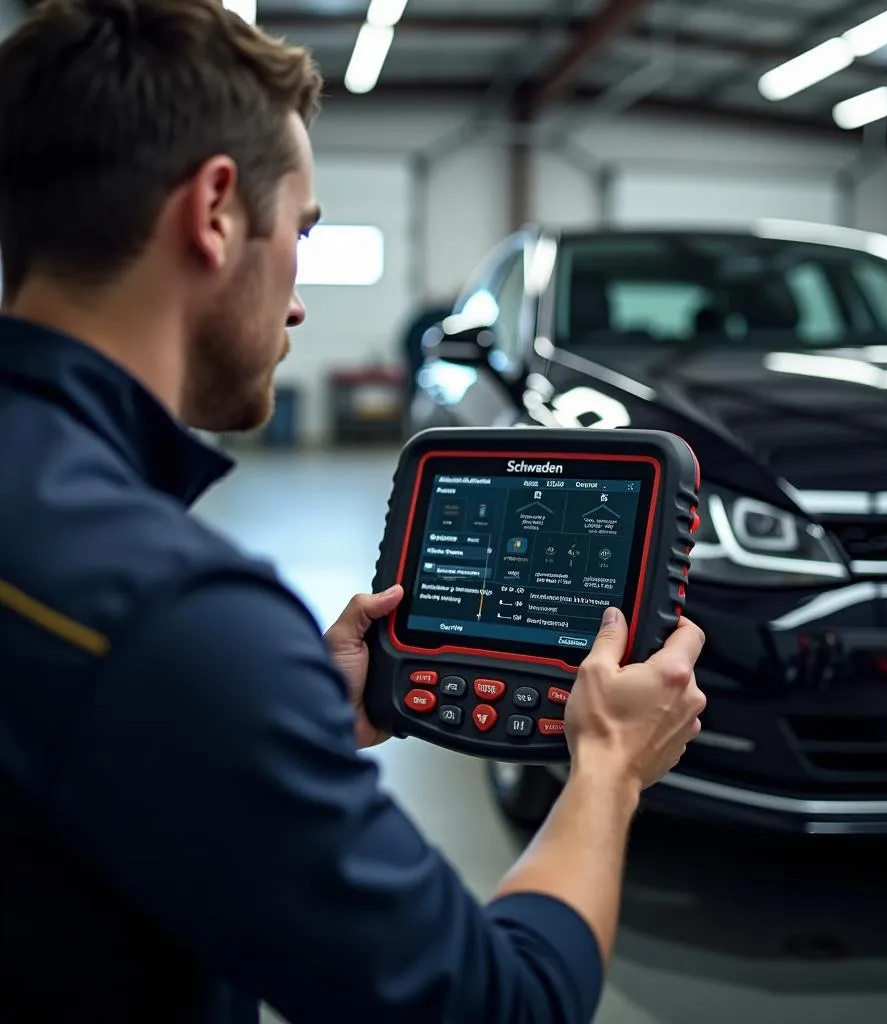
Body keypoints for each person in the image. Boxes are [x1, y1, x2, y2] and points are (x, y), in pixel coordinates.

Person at [0, 2, 707, 1023]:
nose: (296, 300)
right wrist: (606, 768)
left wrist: (278, 728)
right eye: (302, 234)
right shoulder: (172, 616)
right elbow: (498, 1005)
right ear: (214, 212)